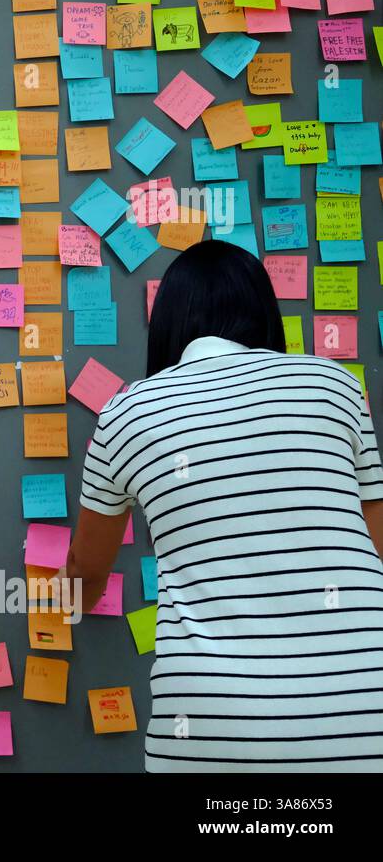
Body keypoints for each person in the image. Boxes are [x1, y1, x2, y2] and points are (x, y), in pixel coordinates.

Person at [65, 240, 383, 771]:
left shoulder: (129, 410)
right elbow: (374, 546)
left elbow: (83, 574)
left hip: (212, 729)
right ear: (265, 314)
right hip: (363, 712)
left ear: (165, 322)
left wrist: (34, 605)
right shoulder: (336, 386)